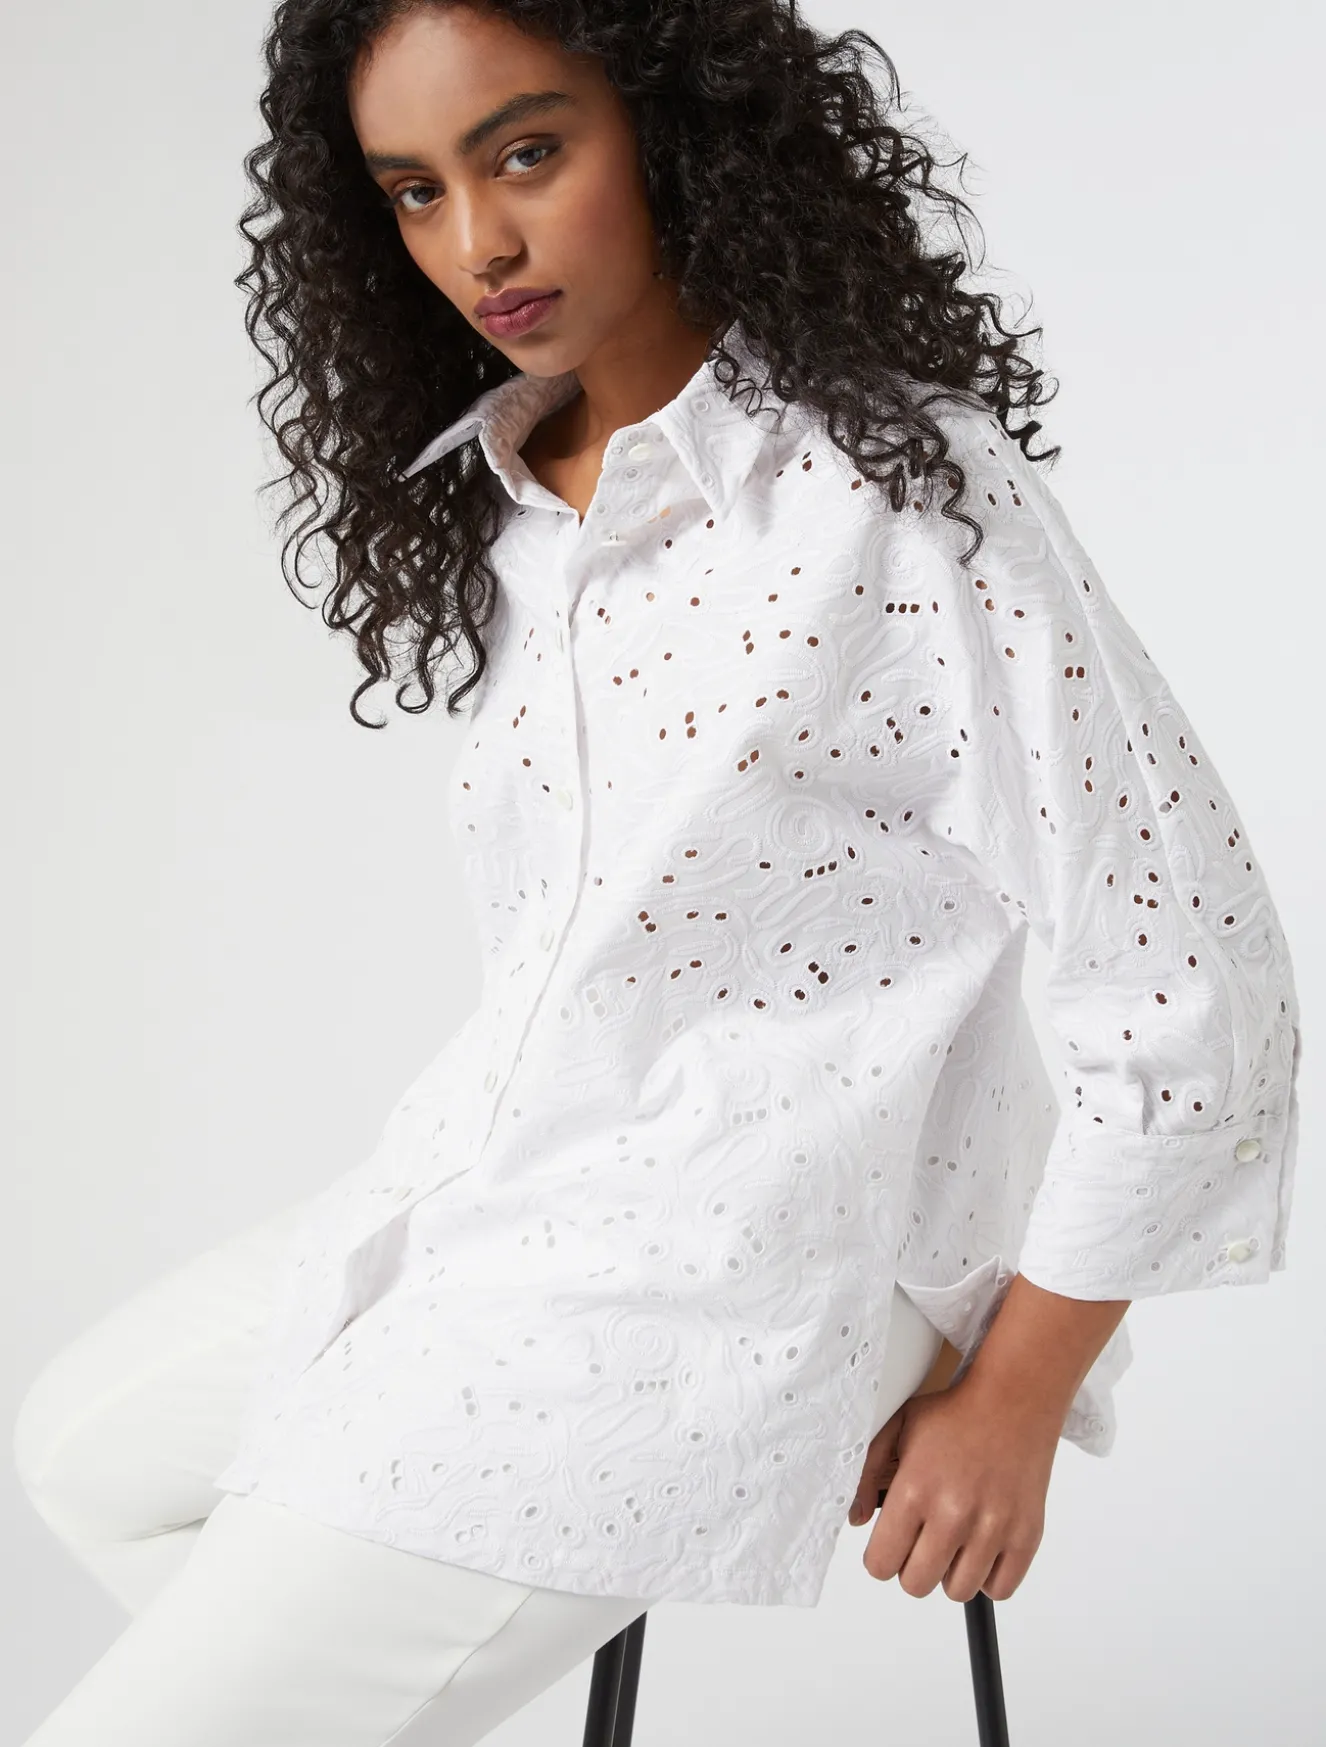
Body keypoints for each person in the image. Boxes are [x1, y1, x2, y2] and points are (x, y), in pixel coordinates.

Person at [11, 1, 1301, 1742]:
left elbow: (1192, 985)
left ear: (676, 125)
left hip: (735, 1269)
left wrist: (1014, 1391)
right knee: (87, 1446)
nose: (478, 241)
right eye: (415, 189)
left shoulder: (892, 498)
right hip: (511, 1192)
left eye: (527, 152)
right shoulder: (512, 501)